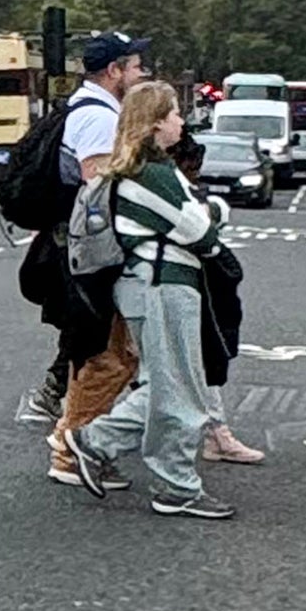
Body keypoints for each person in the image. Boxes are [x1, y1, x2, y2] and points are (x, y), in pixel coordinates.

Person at [78, 77, 225, 516]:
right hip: (163, 285)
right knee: (180, 391)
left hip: (148, 285)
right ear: (156, 122)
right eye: (176, 113)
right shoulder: (153, 174)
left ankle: (95, 441)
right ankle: (176, 485)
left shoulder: (138, 169)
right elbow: (202, 234)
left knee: (169, 384)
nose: (182, 121)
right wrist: (214, 213)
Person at [28, 31, 141, 444]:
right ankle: (74, 437)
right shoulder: (99, 118)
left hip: (77, 243)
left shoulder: (91, 108)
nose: (141, 74)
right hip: (90, 247)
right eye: (135, 67)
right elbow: (97, 189)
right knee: (101, 343)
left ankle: (75, 418)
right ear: (114, 71)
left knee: (98, 339)